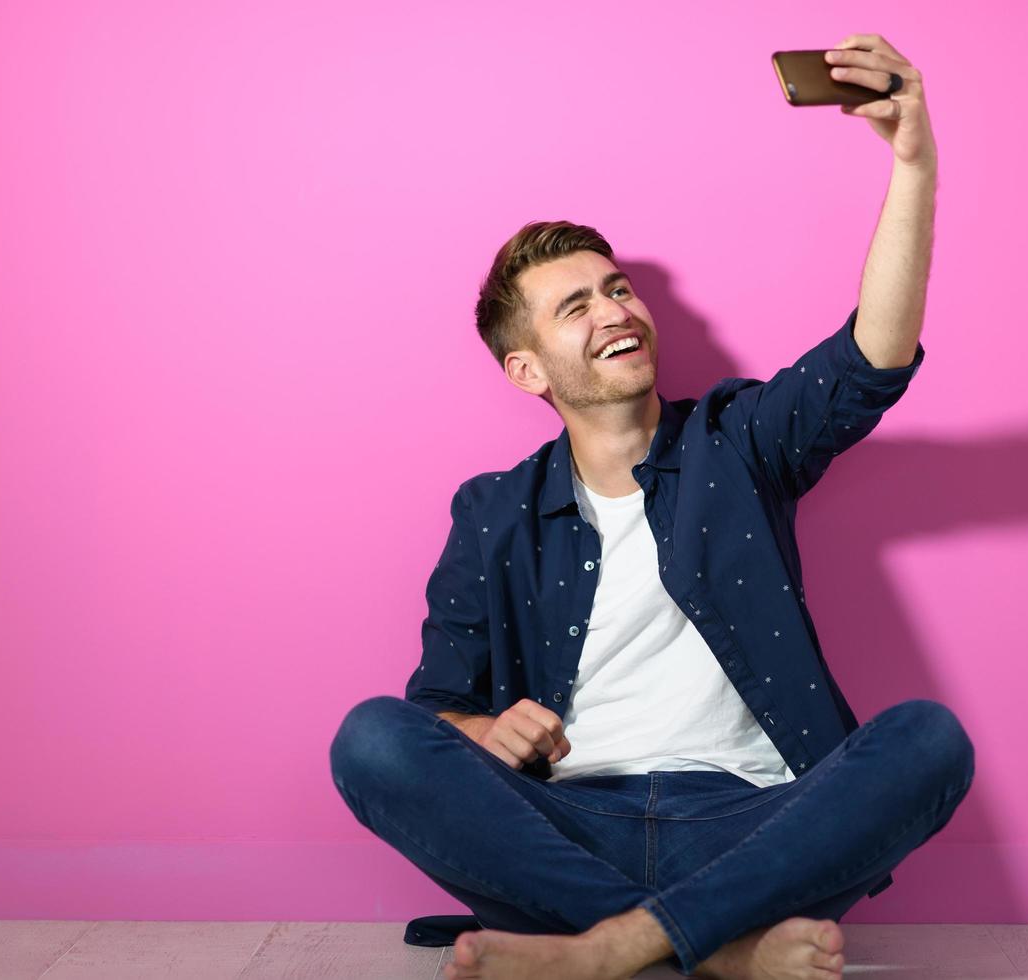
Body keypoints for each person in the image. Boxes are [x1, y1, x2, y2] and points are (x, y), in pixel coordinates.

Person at [330, 33, 972, 980]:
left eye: (616, 288)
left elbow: (870, 359)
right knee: (371, 739)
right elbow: (436, 709)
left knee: (929, 740)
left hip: (754, 825)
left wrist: (912, 159)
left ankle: (613, 947)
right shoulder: (493, 512)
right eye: (574, 308)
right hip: (564, 828)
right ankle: (721, 950)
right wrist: (482, 731)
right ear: (526, 368)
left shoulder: (740, 440)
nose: (614, 312)